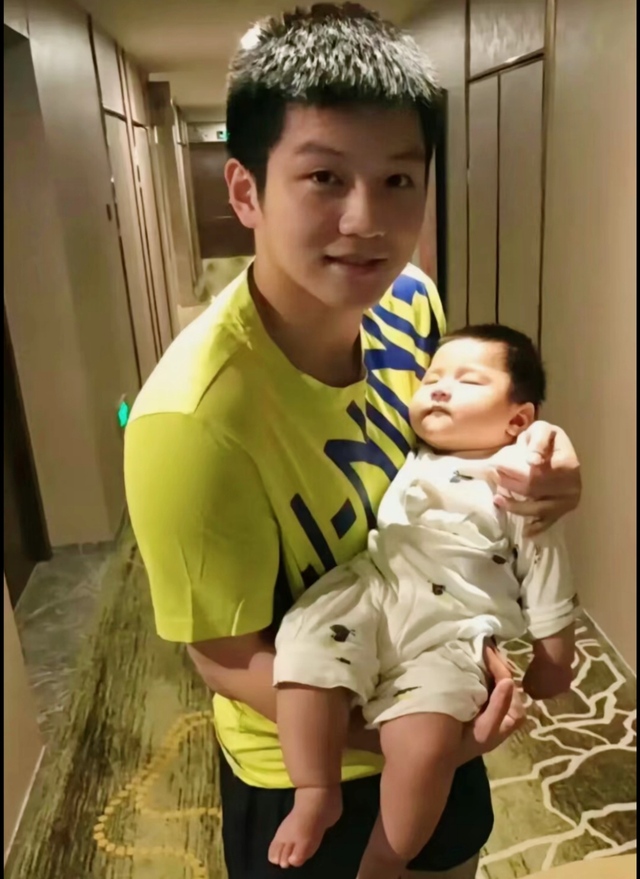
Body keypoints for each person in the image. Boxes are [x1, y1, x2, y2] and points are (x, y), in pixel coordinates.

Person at [124, 5, 582, 877]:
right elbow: (222, 654)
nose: (367, 219)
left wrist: (551, 462)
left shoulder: (409, 299)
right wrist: (413, 732)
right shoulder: (189, 423)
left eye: (399, 178)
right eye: (325, 177)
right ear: (247, 191)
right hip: (310, 763)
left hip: (437, 701)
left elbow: (462, 447)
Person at [269, 324, 577, 878]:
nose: (439, 388)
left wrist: (554, 658)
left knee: (425, 740)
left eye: (468, 381)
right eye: (432, 377)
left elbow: (547, 573)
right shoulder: (413, 451)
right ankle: (315, 789)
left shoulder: (520, 489)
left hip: (451, 628)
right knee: (303, 649)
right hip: (374, 590)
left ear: (517, 420)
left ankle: (388, 855)